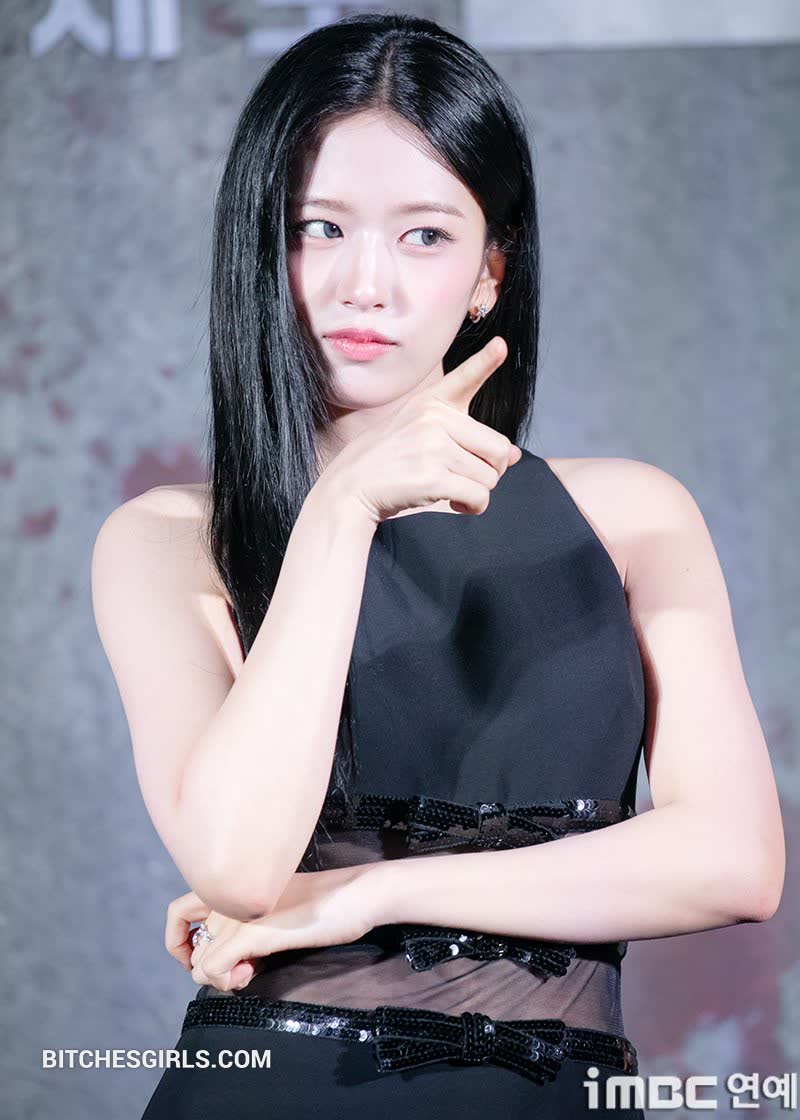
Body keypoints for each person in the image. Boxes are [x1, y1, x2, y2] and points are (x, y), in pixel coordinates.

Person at [90, 12, 785, 1119]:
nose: (365, 283)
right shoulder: (167, 540)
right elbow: (236, 863)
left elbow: (733, 861)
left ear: (487, 273)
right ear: (260, 247)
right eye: (319, 227)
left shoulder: (630, 515)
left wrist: (362, 893)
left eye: (423, 235)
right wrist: (338, 512)